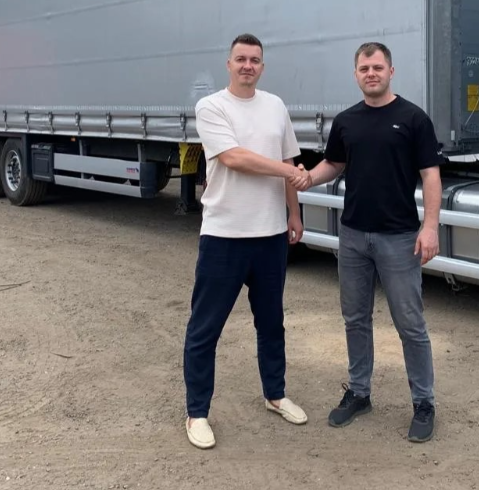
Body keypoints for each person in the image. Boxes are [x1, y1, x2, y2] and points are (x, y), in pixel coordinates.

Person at [301, 41, 443, 443]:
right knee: (355, 319)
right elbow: (334, 163)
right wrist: (307, 178)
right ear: (356, 74)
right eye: (364, 69)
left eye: (378, 67)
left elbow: (431, 175)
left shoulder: (413, 119)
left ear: (391, 71)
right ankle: (360, 393)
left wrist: (430, 227)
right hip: (352, 237)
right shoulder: (347, 121)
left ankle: (424, 402)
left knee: (410, 324)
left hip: (399, 237)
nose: (371, 74)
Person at [183, 33, 311, 450]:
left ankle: (275, 394)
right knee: (206, 328)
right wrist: (288, 172)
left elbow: (289, 160)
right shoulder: (211, 107)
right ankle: (197, 412)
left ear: (262, 66)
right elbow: (233, 157)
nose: (248, 66)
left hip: (270, 236)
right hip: (225, 236)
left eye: (255, 60)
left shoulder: (275, 106)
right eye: (241, 59)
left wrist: (294, 213)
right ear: (229, 64)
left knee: (271, 323)